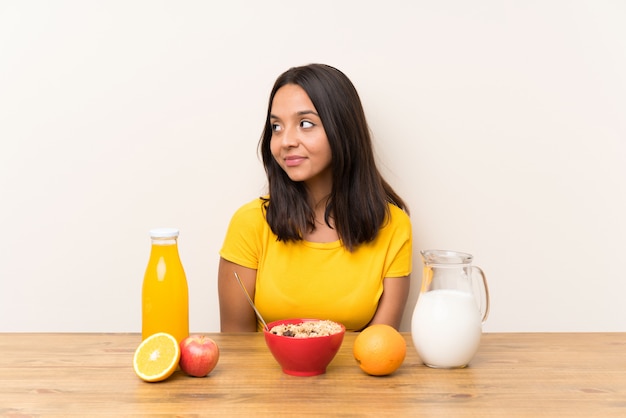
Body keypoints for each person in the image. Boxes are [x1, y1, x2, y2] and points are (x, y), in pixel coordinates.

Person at [218, 63, 412, 332]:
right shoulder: (249, 224)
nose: (285, 141)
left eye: (305, 124)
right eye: (276, 126)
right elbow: (235, 344)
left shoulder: (392, 226)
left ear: (342, 129)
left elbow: (380, 347)